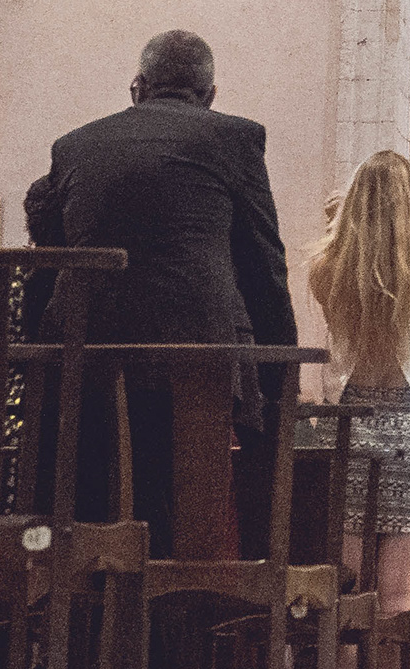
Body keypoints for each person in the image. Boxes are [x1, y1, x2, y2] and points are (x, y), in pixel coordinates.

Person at [21, 31, 294, 554]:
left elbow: (50, 263)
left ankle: (91, 591)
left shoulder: (74, 145)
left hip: (89, 357)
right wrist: (278, 380)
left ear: (138, 87)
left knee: (100, 499)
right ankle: (192, 593)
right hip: (197, 362)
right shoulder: (235, 138)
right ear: (210, 95)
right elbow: (264, 265)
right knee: (189, 512)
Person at [307, 152, 410, 625]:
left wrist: (336, 229)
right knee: (405, 596)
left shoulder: (326, 269)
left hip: (350, 424)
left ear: (354, 201)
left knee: (348, 591)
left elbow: (353, 290)